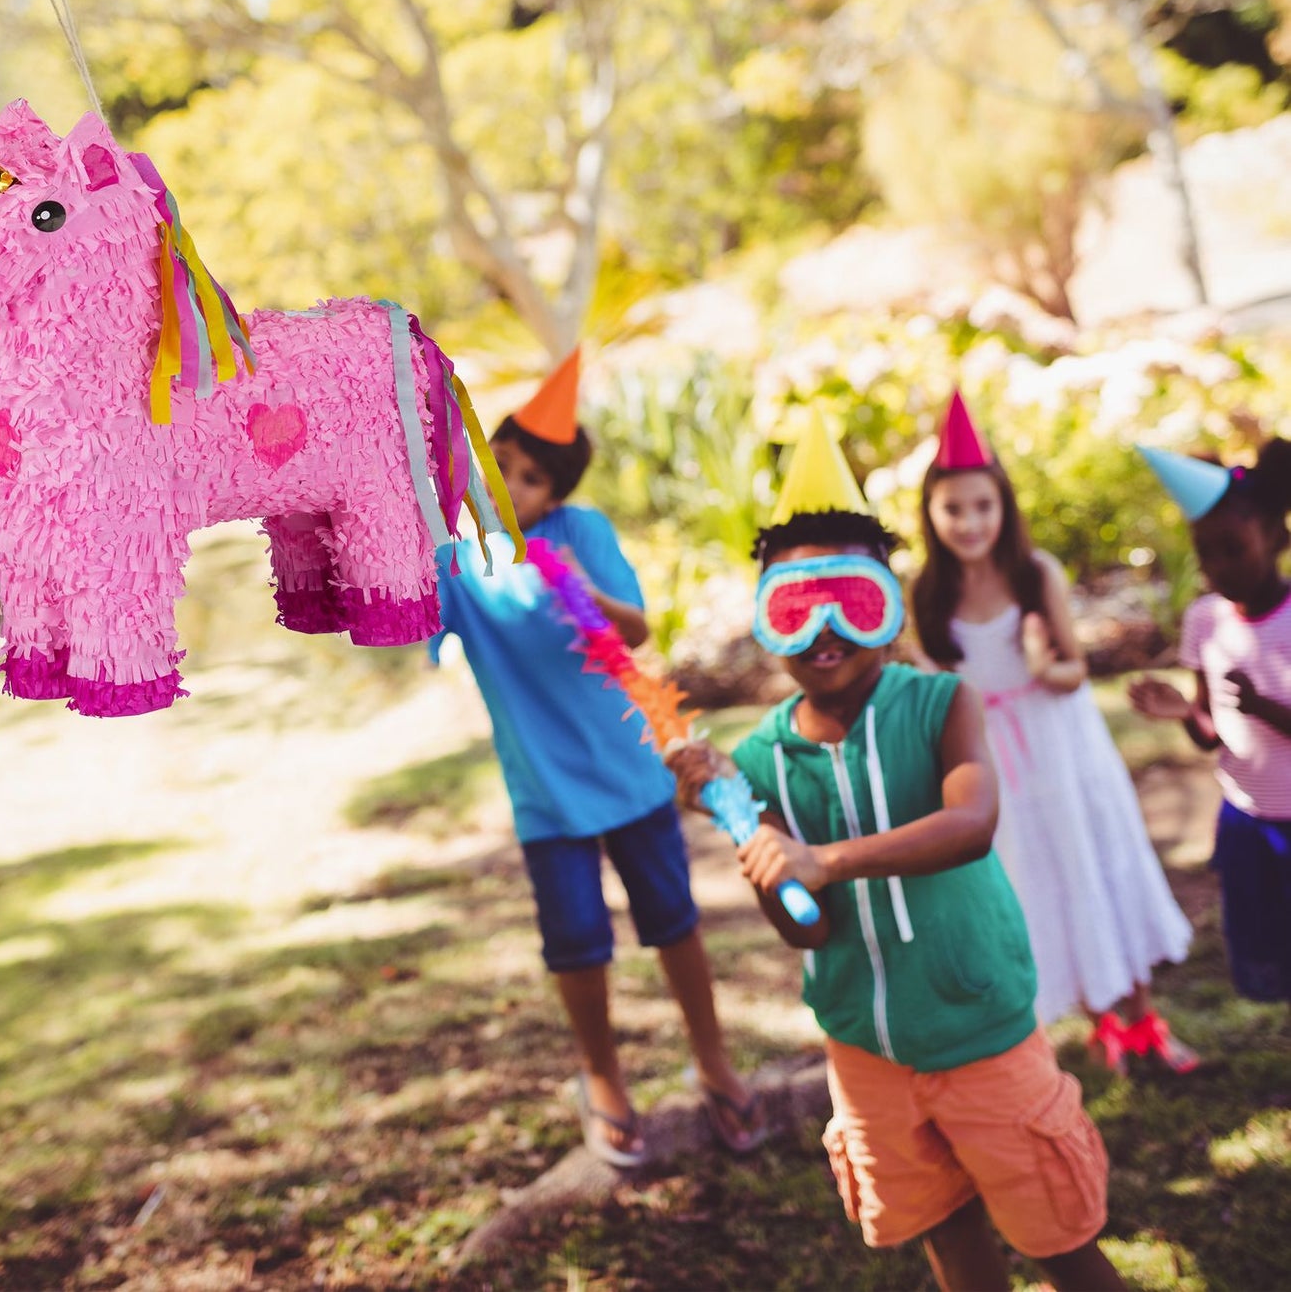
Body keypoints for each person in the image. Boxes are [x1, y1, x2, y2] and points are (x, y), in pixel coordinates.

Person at [669, 407, 1124, 1292]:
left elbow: (972, 822)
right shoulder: (760, 757)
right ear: (766, 620)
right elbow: (803, 928)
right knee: (947, 1238)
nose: (824, 627)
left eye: (853, 598)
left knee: (1059, 1240)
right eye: (795, 606)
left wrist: (824, 860)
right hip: (864, 1050)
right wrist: (750, 833)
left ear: (887, 604)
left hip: (981, 1032)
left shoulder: (940, 702)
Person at [429, 348, 764, 1167]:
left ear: (559, 494)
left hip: (629, 769)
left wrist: (583, 585)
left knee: (672, 920)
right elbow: (420, 630)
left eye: (532, 478)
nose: (510, 483)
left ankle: (711, 1055)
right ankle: (601, 1074)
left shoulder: (581, 533)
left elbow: (636, 630)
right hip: (546, 789)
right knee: (575, 939)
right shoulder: (454, 557)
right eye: (499, 463)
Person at [911, 390, 1195, 1073]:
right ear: (929, 512)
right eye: (952, 508)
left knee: (1091, 861)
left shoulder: (1034, 575)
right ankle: (1097, 1017)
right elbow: (937, 689)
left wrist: (1044, 662)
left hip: (1060, 748)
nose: (969, 521)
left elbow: (1071, 671)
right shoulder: (926, 595)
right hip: (993, 759)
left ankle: (1141, 1015)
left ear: (1003, 505)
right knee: (1036, 873)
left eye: (982, 505)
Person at [1129, 436, 1291, 1003]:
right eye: (1206, 553)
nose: (1218, 567)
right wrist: (1182, 714)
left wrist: (1261, 705)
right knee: (1264, 944)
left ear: (1274, 536)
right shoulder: (1204, 620)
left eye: (1233, 548)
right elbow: (1210, 734)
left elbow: (1253, 712)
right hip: (1246, 819)